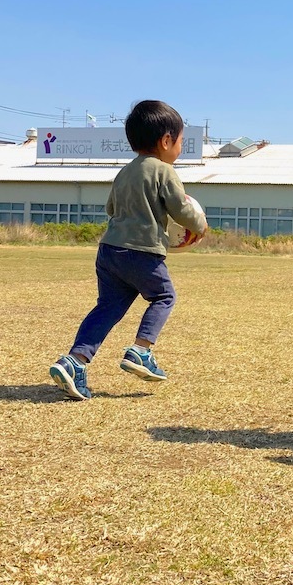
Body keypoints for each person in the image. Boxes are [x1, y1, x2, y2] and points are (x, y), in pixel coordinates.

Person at [50, 100, 207, 400]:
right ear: (165, 141)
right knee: (163, 296)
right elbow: (180, 208)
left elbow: (111, 208)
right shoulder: (164, 171)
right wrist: (199, 225)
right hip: (141, 253)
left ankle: (74, 362)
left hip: (109, 252)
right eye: (180, 142)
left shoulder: (124, 172)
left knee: (107, 307)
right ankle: (140, 351)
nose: (180, 149)